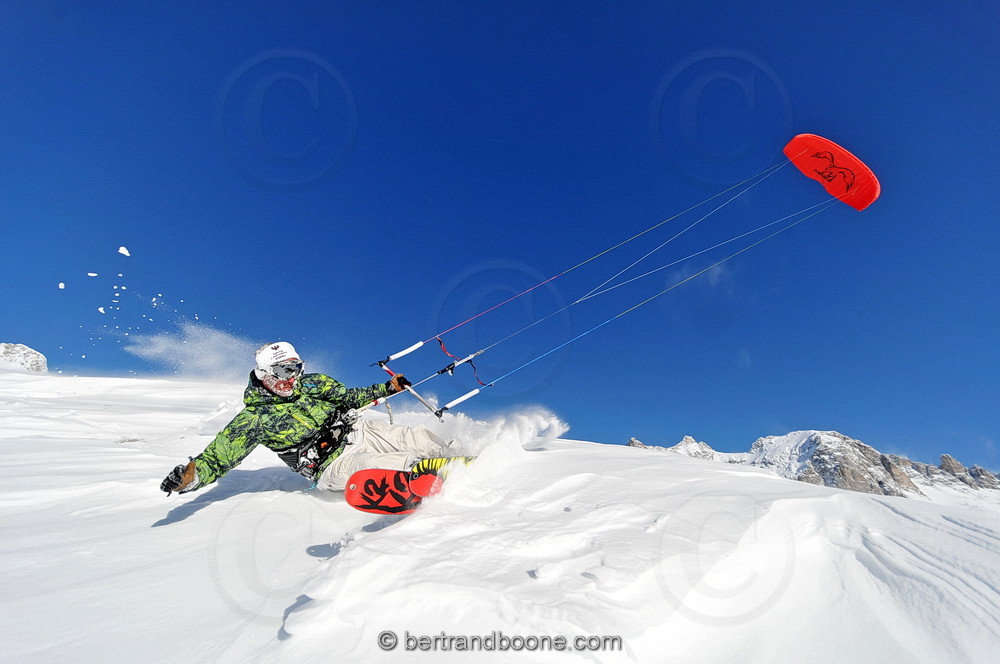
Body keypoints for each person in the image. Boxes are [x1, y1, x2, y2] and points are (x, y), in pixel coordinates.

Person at [160, 341, 463, 495]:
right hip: (329, 464)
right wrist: (190, 478)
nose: (292, 378)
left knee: (413, 437)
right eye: (283, 371)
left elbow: (349, 397)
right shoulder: (253, 419)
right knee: (373, 466)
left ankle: (461, 456)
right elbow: (218, 457)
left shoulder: (312, 383)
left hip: (356, 431)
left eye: (296, 368)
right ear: (264, 375)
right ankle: (424, 474)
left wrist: (386, 387)